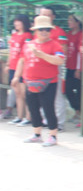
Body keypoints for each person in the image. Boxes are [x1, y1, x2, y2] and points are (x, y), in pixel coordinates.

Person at [12, 16, 65, 147]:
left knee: (48, 108)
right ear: (35, 30)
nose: (44, 32)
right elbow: (22, 61)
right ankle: (37, 134)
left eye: (47, 29)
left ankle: (53, 135)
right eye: (41, 29)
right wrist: (16, 77)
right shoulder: (28, 45)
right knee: (33, 108)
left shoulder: (55, 44)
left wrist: (42, 55)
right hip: (30, 82)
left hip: (49, 82)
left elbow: (60, 60)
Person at [39, 6, 68, 130]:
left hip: (55, 67)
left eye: (48, 15)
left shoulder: (59, 32)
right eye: (43, 14)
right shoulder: (38, 32)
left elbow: (63, 51)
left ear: (53, 17)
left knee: (57, 95)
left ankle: (59, 122)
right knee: (42, 94)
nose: (45, 17)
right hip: (40, 68)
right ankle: (46, 120)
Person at [5, 14, 32, 126]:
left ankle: (28, 117)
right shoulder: (14, 35)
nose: (16, 23)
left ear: (24, 22)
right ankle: (19, 117)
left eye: (18, 21)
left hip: (22, 68)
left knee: (24, 93)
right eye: (15, 21)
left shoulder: (28, 35)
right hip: (13, 67)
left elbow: (26, 53)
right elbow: (11, 51)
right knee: (17, 93)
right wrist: (8, 64)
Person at [65, 14, 83, 124]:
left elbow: (80, 53)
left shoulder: (80, 34)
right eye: (69, 20)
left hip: (77, 68)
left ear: (78, 22)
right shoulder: (68, 34)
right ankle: (77, 109)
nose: (69, 22)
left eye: (71, 20)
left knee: (79, 91)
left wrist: (78, 68)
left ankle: (79, 113)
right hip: (69, 66)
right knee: (67, 90)